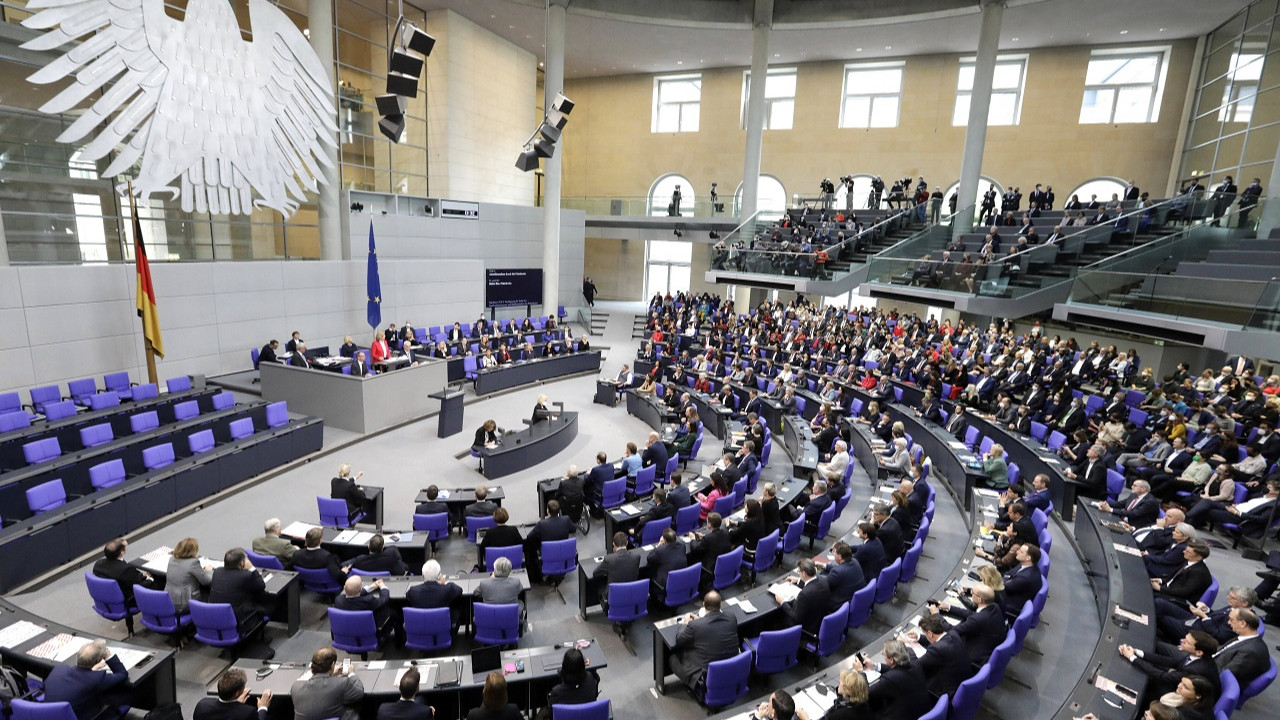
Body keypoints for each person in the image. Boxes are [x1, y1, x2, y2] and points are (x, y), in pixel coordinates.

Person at [1118, 631, 1220, 702]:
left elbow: (1162, 676)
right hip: (1180, 680)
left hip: (1189, 699)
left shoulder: (1195, 670)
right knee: (1154, 667)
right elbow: (1168, 661)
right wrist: (1136, 652)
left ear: (1199, 652)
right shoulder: (1197, 656)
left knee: (1146, 690)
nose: (1182, 640)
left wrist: (1132, 657)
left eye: (1187, 642)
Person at [43, 639, 132, 720]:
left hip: (46, 715)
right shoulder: (96, 679)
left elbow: (79, 678)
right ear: (98, 660)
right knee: (119, 701)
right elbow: (122, 674)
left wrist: (91, 671)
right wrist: (108, 655)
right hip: (78, 716)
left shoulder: (59, 669)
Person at [670, 591, 740, 694]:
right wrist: (700, 620)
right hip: (730, 668)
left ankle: (695, 687)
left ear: (703, 605)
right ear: (720, 604)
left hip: (706, 675)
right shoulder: (731, 617)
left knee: (673, 659)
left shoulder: (695, 626)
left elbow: (679, 640)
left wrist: (685, 623)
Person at [930, 584, 1007, 664]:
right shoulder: (994, 606)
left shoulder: (978, 619)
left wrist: (936, 614)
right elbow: (971, 614)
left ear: (979, 600)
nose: (971, 594)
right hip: (990, 645)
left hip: (976, 655)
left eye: (973, 593)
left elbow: (953, 630)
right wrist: (948, 607)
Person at [208, 548, 270, 646]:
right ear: (242, 563)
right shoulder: (246, 575)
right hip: (238, 620)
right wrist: (252, 568)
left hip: (216, 618)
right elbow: (261, 586)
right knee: (267, 608)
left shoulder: (217, 572)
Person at [859, 640, 932, 720]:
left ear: (891, 660)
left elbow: (866, 693)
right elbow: (899, 670)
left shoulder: (889, 679)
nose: (884, 656)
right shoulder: (915, 663)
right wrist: (874, 666)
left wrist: (860, 672)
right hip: (924, 711)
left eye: (884, 654)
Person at [92, 537, 154, 627]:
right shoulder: (125, 569)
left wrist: (140, 576)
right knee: (158, 583)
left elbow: (123, 577)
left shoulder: (98, 564)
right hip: (128, 600)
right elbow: (138, 587)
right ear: (121, 553)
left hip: (107, 599)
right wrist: (150, 579)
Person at [291, 647, 364, 720]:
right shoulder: (342, 683)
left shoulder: (296, 687)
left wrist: (331, 674)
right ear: (332, 665)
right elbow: (359, 693)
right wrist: (351, 673)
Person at [911, 613, 971, 698]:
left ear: (930, 634)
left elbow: (917, 665)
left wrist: (908, 648)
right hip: (963, 678)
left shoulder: (936, 650)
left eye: (925, 634)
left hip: (950, 690)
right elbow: (938, 641)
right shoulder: (953, 634)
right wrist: (918, 637)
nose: (926, 636)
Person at [776, 558, 832, 634]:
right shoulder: (823, 580)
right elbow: (813, 583)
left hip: (809, 627)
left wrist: (782, 602)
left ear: (804, 573)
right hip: (820, 619)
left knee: (779, 617)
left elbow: (796, 618)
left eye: (799, 571)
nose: (799, 573)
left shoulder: (804, 594)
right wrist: (798, 580)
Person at [524, 500, 576, 582]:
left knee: (530, 547)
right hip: (563, 553)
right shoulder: (566, 520)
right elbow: (573, 529)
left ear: (547, 510)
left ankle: (535, 576)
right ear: (559, 510)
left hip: (548, 556)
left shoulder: (541, 524)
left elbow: (529, 537)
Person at [406, 560, 464, 633]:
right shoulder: (448, 589)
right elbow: (459, 590)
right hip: (443, 632)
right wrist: (445, 582)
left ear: (422, 575)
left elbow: (407, 596)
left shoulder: (413, 591)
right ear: (439, 575)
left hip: (420, 631)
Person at [335, 575, 397, 643]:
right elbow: (384, 599)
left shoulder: (338, 600)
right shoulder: (368, 601)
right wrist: (383, 587)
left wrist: (371, 587)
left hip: (346, 635)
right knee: (395, 612)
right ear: (360, 589)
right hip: (368, 637)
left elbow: (353, 595)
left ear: (344, 588)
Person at [194, 668, 273, 720]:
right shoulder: (247, 712)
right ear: (237, 693)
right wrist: (263, 707)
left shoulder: (202, 705)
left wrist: (236, 703)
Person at [594, 532, 640, 617]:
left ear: (613, 544)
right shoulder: (636, 557)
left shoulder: (609, 559)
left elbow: (595, 573)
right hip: (631, 592)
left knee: (599, 586)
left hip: (614, 596)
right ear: (627, 543)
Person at [544, 648, 600, 713]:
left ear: (564, 667)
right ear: (583, 666)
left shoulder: (557, 692)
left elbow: (551, 714)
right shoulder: (590, 678)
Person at [166, 537, 212, 614]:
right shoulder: (193, 563)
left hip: (169, 600)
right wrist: (209, 571)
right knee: (208, 593)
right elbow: (206, 581)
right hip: (184, 604)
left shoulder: (171, 559)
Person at [344, 534, 409, 576]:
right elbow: (401, 572)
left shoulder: (360, 560)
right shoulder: (391, 556)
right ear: (382, 547)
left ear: (368, 546)